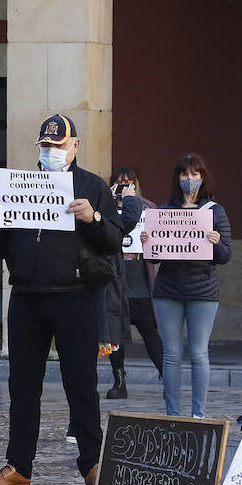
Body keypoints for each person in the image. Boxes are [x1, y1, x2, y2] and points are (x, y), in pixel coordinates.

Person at [0, 114, 123, 485]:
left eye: (58, 146)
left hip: (76, 297)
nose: (51, 152)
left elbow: (113, 241)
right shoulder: (18, 186)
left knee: (82, 384)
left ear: (75, 146)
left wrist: (93, 217)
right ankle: (19, 465)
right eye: (45, 146)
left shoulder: (92, 185)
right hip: (27, 296)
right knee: (23, 385)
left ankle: (92, 462)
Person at [144, 153, 232, 419]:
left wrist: (216, 243)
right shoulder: (163, 212)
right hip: (168, 290)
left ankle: (198, 415)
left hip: (202, 292)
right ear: (177, 178)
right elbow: (152, 257)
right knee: (171, 355)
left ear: (202, 178)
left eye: (195, 174)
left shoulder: (215, 212)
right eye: (185, 174)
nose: (190, 179)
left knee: (198, 353)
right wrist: (148, 241)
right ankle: (172, 413)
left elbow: (226, 256)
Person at [104, 167, 162, 399]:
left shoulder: (149, 208)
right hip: (115, 283)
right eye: (119, 183)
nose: (124, 186)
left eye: (129, 182)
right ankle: (119, 382)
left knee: (151, 333)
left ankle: (167, 379)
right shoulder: (104, 208)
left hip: (141, 283)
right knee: (115, 336)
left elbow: (158, 252)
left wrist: (151, 242)